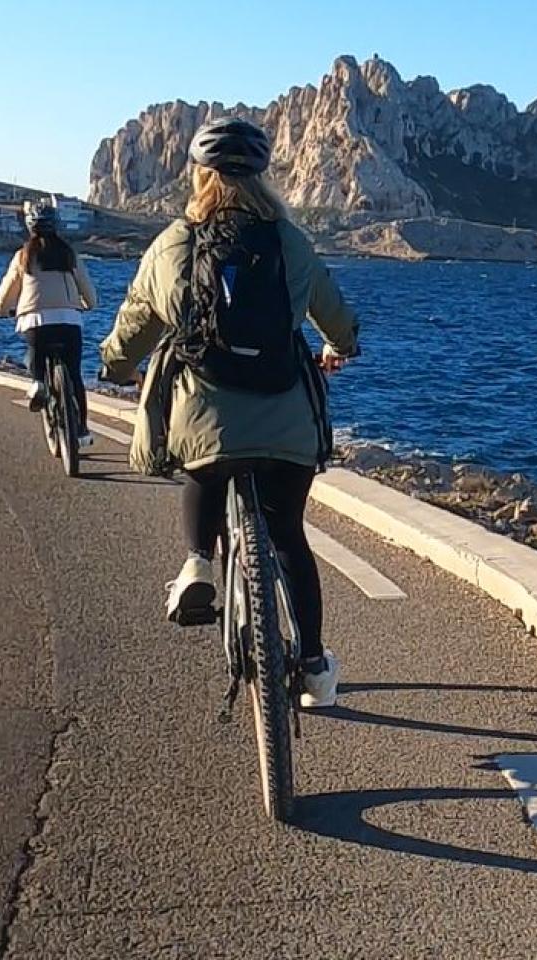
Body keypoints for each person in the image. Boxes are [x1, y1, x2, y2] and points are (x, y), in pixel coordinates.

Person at [100, 117, 359, 709]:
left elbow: (136, 322)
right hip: (285, 418)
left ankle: (197, 564)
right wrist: (339, 350)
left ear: (200, 175)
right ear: (263, 178)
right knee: (289, 533)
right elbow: (336, 315)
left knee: (204, 464)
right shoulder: (291, 243)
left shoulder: (173, 244)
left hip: (202, 414)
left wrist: (116, 369)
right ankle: (315, 669)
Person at [0, 198, 98, 447]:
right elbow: (89, 293)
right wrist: (88, 306)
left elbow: (5, 295)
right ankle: (81, 429)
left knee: (34, 356)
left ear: (30, 227)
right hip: (70, 321)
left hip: (35, 322)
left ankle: (39, 382)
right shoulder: (69, 254)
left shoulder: (23, 257)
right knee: (74, 375)